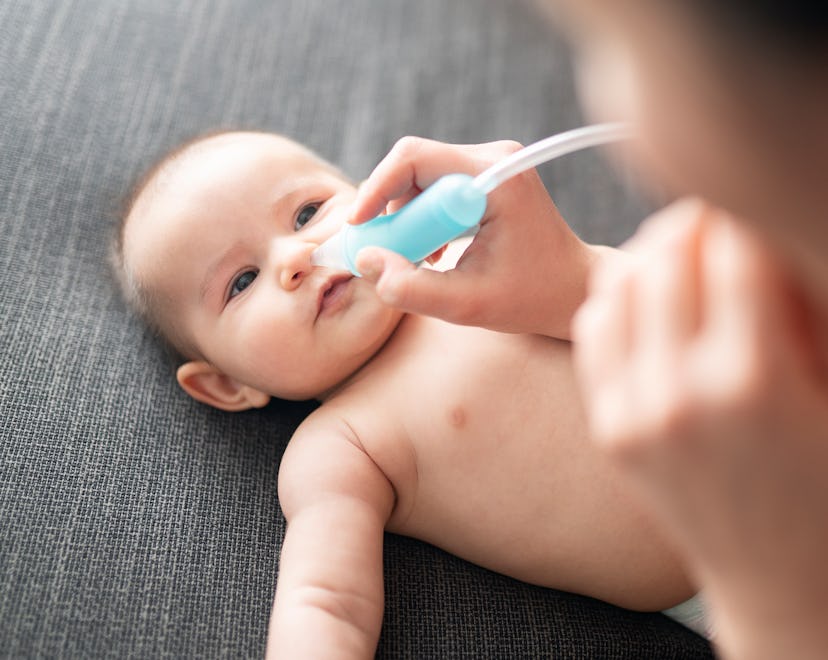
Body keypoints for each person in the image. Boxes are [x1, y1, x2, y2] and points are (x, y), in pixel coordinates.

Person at [348, 2, 828, 659]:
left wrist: (778, 599)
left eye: (612, 50)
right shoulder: (340, 441)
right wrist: (577, 277)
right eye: (241, 281)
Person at [112, 130, 705, 659]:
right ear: (226, 384)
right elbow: (325, 603)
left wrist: (572, 272)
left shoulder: (475, 263)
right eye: (241, 282)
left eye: (307, 213)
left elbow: (670, 305)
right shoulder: (341, 445)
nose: (294, 258)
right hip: (732, 582)